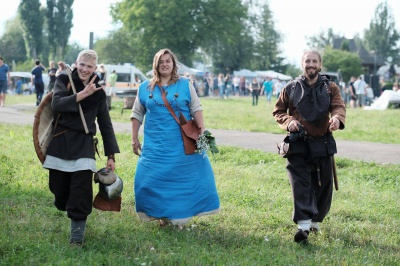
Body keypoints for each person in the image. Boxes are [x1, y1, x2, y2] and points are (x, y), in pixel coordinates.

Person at [130, 48, 220, 229]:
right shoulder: (145, 87)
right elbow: (137, 114)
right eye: (161, 61)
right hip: (154, 145)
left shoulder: (185, 84)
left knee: (184, 179)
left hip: (181, 144)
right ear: (156, 65)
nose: (165, 64)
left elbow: (196, 108)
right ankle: (162, 215)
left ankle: (179, 217)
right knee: (146, 180)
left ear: (173, 64)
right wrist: (134, 139)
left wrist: (201, 133)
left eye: (168, 61)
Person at [42, 49, 120, 246]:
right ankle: (68, 206)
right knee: (59, 191)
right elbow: (57, 104)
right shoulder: (63, 79)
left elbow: (105, 123)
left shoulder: (99, 91)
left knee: (81, 190)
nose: (85, 69)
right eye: (82, 65)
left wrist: (110, 154)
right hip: (61, 141)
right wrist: (82, 94)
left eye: (90, 66)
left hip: (85, 143)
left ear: (95, 69)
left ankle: (77, 237)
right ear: (76, 64)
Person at [272, 48, 346, 243]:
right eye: (307, 61)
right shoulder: (290, 88)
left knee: (323, 185)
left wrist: (337, 118)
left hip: (323, 143)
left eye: (314, 61)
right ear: (302, 64)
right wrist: (289, 122)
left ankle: (315, 223)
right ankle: (303, 226)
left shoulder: (331, 88)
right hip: (298, 144)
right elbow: (278, 112)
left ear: (320, 65)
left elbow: (338, 106)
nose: (311, 65)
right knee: (301, 184)